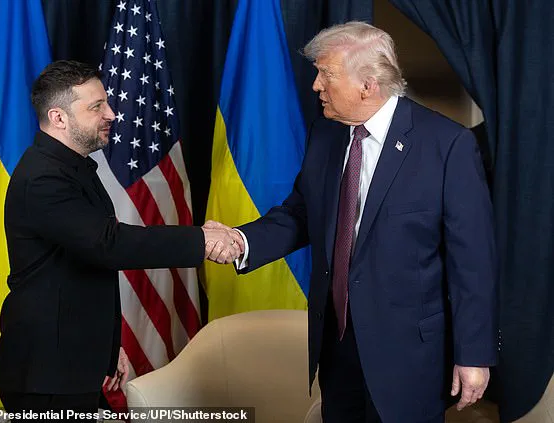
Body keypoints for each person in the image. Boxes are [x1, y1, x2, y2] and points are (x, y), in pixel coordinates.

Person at [205, 22, 498, 423]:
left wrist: (474, 355)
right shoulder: (325, 135)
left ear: (368, 85)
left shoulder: (447, 146)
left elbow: (473, 264)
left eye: (326, 74)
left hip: (409, 358)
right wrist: (242, 241)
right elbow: (301, 213)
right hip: (337, 346)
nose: (316, 86)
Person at [0, 60, 243, 420]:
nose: (111, 114)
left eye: (107, 103)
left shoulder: (71, 166)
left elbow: (81, 271)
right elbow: (108, 244)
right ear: (58, 118)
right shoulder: (43, 178)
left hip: (72, 361)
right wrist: (201, 240)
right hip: (47, 373)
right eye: (96, 107)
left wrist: (107, 349)